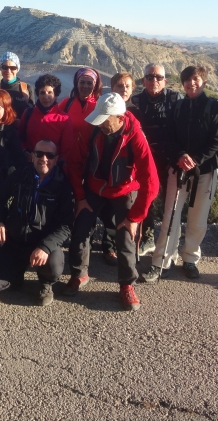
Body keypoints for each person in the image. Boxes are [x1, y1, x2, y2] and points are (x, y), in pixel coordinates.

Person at [64, 93, 159, 311]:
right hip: (94, 187)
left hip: (124, 190)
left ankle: (127, 284)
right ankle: (79, 274)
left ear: (120, 118)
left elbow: (151, 182)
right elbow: (74, 162)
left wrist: (134, 218)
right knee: (81, 227)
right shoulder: (93, 127)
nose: (100, 124)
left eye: (104, 120)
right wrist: (80, 197)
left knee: (126, 236)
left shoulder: (136, 136)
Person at [141, 65, 218, 283]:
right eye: (187, 80)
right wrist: (180, 155)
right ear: (183, 83)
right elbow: (169, 136)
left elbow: (217, 141)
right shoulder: (178, 107)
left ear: (204, 82)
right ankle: (161, 261)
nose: (191, 83)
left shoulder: (214, 108)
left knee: (198, 219)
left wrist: (196, 159)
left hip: (204, 172)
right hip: (178, 169)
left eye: (196, 79)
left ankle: (190, 259)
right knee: (170, 215)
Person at [0, 139, 73, 306]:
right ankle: (17, 271)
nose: (44, 159)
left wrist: (45, 247)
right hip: (16, 240)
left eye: (50, 155)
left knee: (54, 265)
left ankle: (46, 283)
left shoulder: (63, 185)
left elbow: (66, 225)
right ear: (32, 156)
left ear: (56, 159)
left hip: (43, 242)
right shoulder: (20, 175)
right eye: (39, 154)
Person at [129, 63, 181, 257]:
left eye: (158, 77)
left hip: (170, 160)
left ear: (165, 81)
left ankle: (171, 244)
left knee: (172, 203)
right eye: (150, 77)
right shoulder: (135, 101)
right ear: (143, 81)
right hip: (145, 160)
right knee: (145, 199)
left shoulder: (176, 99)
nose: (154, 80)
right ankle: (148, 238)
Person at [99, 71, 139, 266]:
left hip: (128, 174)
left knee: (126, 213)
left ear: (132, 89)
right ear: (112, 88)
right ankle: (108, 246)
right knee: (108, 211)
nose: (124, 89)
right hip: (105, 171)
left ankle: (128, 251)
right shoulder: (104, 108)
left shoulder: (135, 113)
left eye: (127, 86)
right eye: (119, 86)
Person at [18, 74, 75, 162]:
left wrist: (58, 164)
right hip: (30, 163)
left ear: (56, 95)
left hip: (52, 165)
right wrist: (24, 151)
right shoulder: (28, 113)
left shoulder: (64, 119)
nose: (46, 97)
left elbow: (66, 149)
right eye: (42, 93)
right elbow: (20, 137)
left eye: (50, 92)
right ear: (38, 94)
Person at [59, 67, 103, 150]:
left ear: (95, 85)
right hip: (67, 153)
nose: (85, 86)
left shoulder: (100, 105)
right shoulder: (67, 103)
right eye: (82, 82)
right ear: (77, 84)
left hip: (90, 154)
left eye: (89, 83)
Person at [0, 52, 33, 118]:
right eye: (5, 67)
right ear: (0, 68)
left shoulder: (27, 89)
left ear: (17, 69)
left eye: (13, 68)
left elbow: (32, 114)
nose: (8, 71)